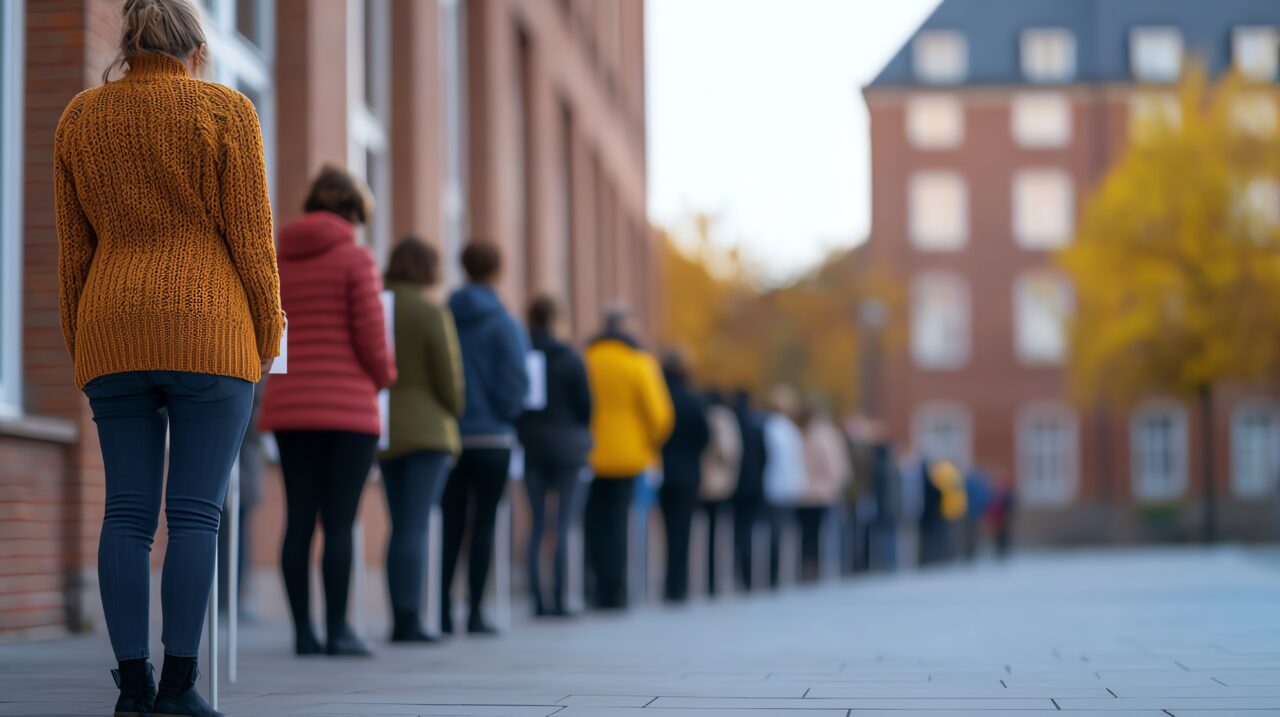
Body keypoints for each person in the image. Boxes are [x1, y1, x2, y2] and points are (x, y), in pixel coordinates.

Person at [55, 0, 284, 713]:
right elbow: (252, 242)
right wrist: (266, 336)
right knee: (195, 515)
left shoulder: (80, 118)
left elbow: (73, 254)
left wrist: (83, 342)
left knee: (125, 513)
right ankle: (181, 689)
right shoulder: (225, 112)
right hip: (211, 332)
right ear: (196, 48)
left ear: (127, 45)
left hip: (111, 328)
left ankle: (132, 689)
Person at [259, 166, 396, 657]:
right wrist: (386, 376)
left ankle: (303, 634)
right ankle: (338, 631)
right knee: (340, 523)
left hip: (291, 408)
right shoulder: (357, 259)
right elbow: (372, 338)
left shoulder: (278, 258)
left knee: (298, 520)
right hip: (348, 414)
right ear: (354, 211)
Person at [378, 237, 464, 642]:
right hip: (429, 431)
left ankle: (399, 614)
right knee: (415, 525)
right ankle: (409, 620)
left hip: (384, 429)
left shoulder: (377, 305)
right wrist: (455, 408)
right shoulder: (431, 311)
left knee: (399, 525)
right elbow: (451, 383)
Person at [441, 242, 529, 634]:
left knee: (451, 523)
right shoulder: (505, 323)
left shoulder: (446, 315)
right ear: (498, 270)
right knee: (486, 524)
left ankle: (441, 610)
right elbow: (517, 380)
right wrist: (503, 414)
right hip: (493, 439)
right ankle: (475, 612)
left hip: (453, 435)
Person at [584, 307, 673, 609]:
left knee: (594, 521)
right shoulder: (640, 362)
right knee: (619, 521)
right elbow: (660, 416)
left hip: (590, 453)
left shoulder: (588, 359)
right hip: (628, 455)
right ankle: (616, 589)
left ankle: (595, 585)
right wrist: (647, 442)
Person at [517, 296, 593, 617]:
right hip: (568, 448)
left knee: (536, 524)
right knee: (563, 524)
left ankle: (538, 598)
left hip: (532, 445)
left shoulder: (522, 354)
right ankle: (561, 598)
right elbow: (586, 407)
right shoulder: (570, 357)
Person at [658, 352, 711, 603]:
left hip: (661, 471)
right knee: (682, 532)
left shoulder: (659, 395)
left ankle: (667, 583)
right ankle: (678, 586)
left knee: (665, 529)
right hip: (688, 473)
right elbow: (705, 436)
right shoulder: (693, 399)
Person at [219, 384, 265, 619]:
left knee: (235, 532)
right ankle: (225, 599)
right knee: (227, 532)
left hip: (243, 465)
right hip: (237, 463)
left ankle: (230, 599)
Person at [796, 402, 852, 582]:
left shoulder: (799, 433)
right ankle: (818, 566)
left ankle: (807, 565)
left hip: (801, 491)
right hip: (823, 492)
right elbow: (835, 466)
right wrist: (838, 483)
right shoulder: (827, 435)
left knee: (806, 533)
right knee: (823, 532)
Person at [761, 387, 807, 588]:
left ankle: (772, 575)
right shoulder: (791, 430)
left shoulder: (768, 427)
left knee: (772, 532)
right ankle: (778, 574)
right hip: (788, 487)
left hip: (772, 486)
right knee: (781, 532)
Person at [699, 391, 741, 595]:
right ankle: (712, 580)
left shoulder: (703, 413)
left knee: (701, 533)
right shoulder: (724, 418)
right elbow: (730, 450)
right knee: (716, 532)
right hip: (718, 482)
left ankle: (703, 578)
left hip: (700, 480)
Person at [731, 390, 768, 591]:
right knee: (749, 530)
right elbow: (765, 456)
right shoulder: (757, 424)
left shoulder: (732, 422)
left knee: (738, 531)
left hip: (734, 485)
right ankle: (748, 575)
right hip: (754, 484)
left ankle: (740, 572)